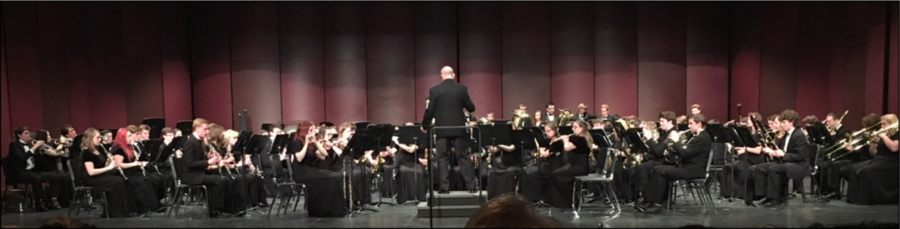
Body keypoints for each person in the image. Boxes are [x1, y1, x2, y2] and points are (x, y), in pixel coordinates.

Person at [421, 66, 477, 193]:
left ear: (441, 76)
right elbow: (471, 108)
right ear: (453, 75)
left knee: (442, 158)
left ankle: (444, 187)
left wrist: (425, 124)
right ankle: (471, 186)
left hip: (442, 128)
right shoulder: (462, 89)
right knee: (463, 156)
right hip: (459, 128)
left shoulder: (435, 90)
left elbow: (430, 111)